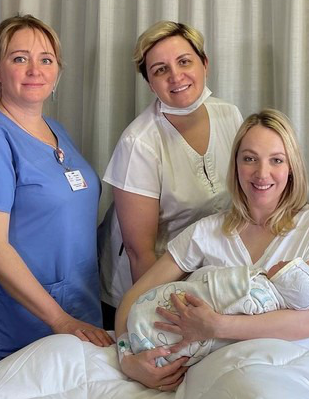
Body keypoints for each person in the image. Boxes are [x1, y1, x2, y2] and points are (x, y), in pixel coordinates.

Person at [115, 109, 309, 392]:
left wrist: (216, 326)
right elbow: (134, 297)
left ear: (291, 168)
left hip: (298, 372)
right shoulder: (206, 232)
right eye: (249, 159)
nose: (262, 173)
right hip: (221, 375)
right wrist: (127, 359)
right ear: (236, 165)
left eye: (276, 160)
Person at [0, 14, 113, 367]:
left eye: (46, 60)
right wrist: (60, 320)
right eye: (20, 58)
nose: (35, 70)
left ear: (57, 72)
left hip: (78, 309)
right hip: (22, 322)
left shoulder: (55, 130)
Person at [99, 20, 243, 323]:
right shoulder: (140, 143)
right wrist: (159, 318)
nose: (176, 76)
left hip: (207, 279)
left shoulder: (229, 116)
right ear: (150, 84)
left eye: (184, 61)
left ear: (205, 64)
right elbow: (140, 253)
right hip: (148, 286)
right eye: (160, 69)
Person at [125, 257, 309, 367]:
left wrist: (215, 326)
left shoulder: (260, 292)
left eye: (284, 266)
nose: (281, 261)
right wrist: (127, 361)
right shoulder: (202, 230)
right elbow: (130, 299)